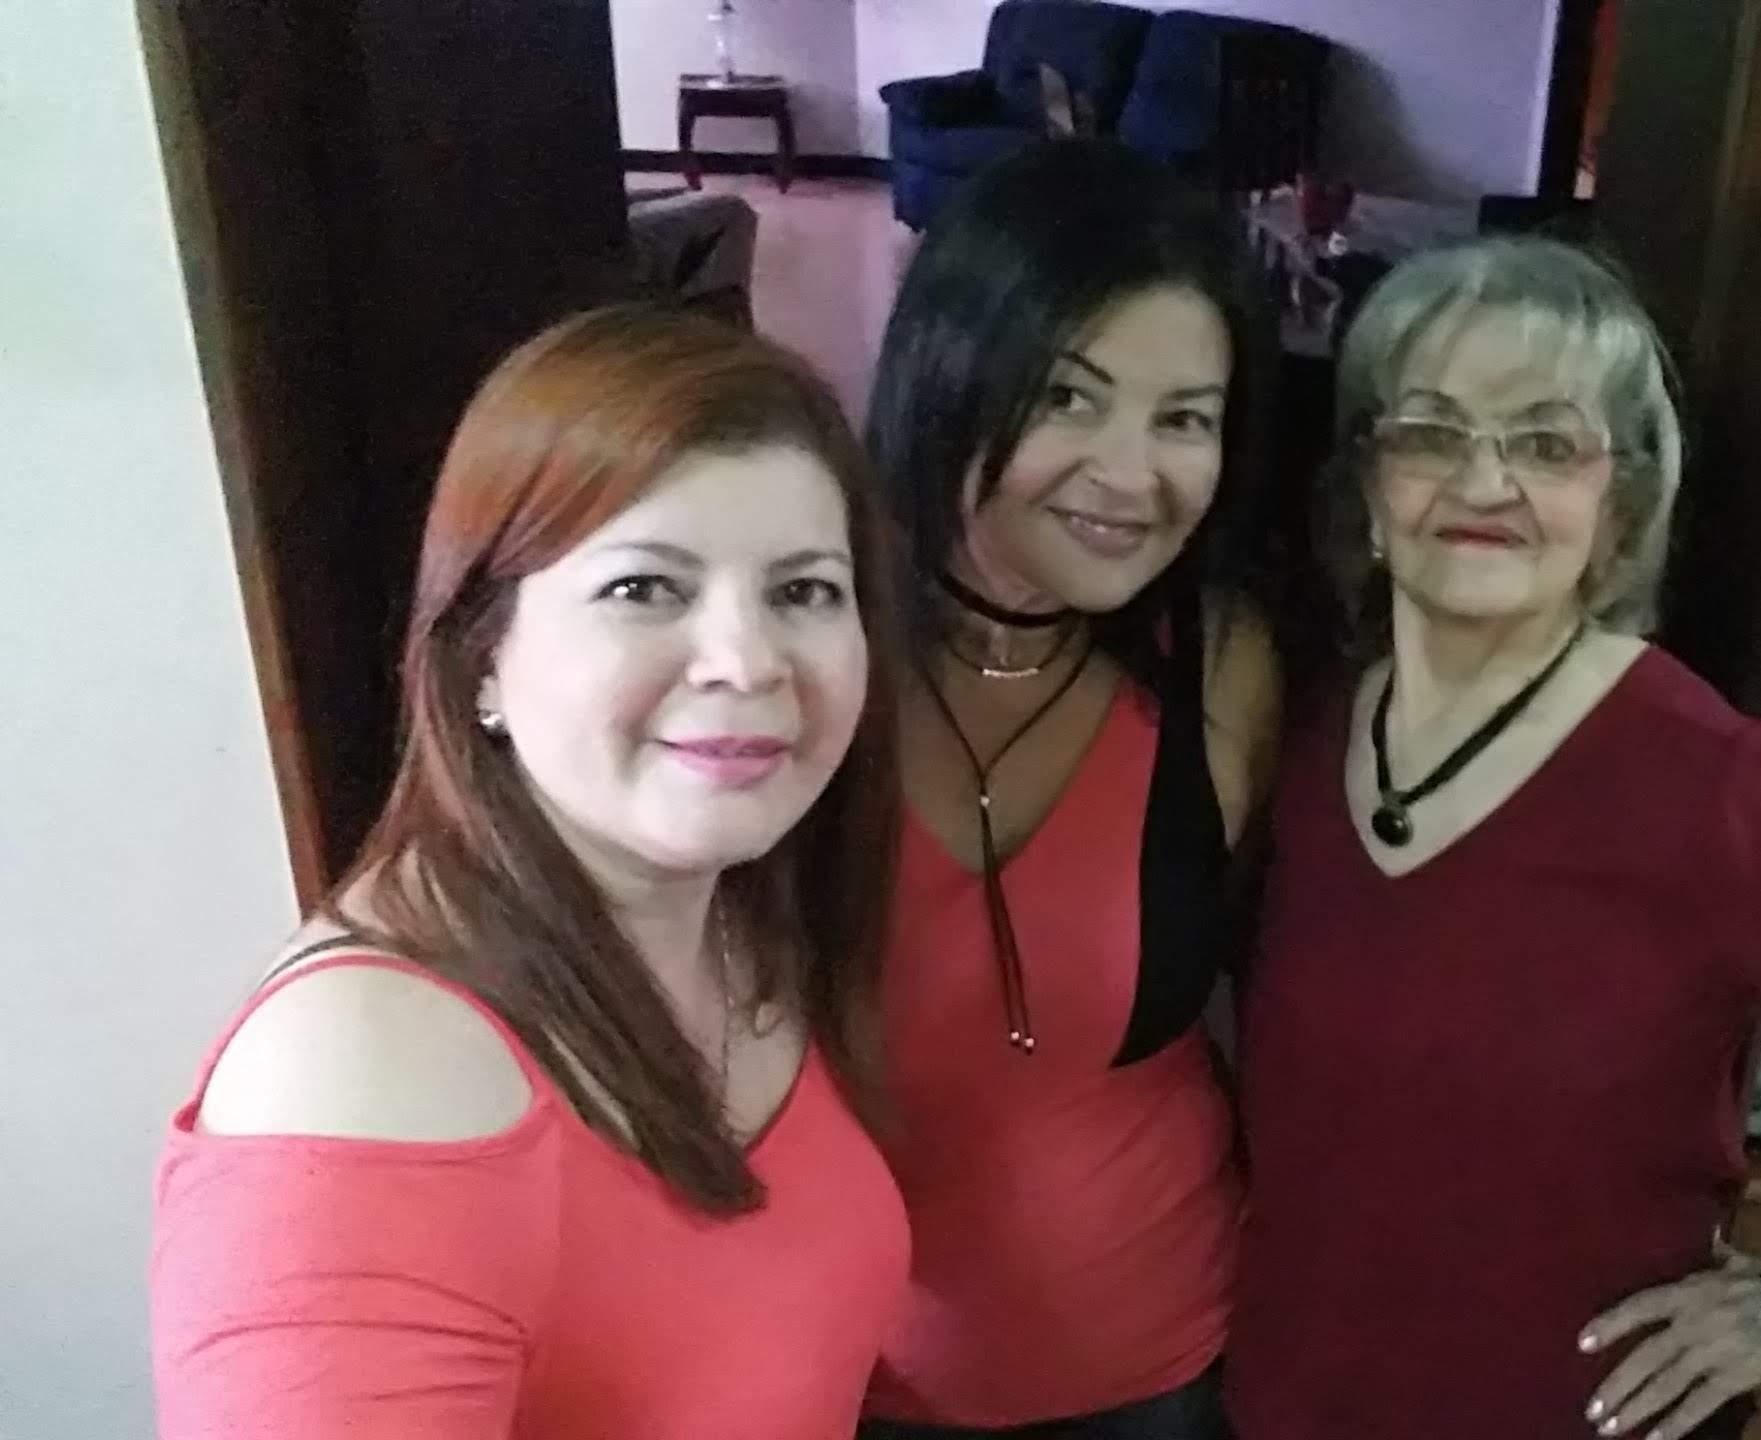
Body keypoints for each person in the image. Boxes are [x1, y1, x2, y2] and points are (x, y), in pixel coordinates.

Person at [1225, 237, 1761, 1440]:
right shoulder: (1318, 724)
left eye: (1545, 443)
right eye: (1430, 431)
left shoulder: (1705, 785)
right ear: (1368, 487)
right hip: (1297, 1397)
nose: (1483, 483)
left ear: (1618, 504)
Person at [150, 307, 911, 1438]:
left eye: (802, 591)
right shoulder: (362, 1074)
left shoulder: (740, 916)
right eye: (644, 587)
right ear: (482, 659)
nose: (749, 661)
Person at [855, 139, 1281, 1440]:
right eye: (1069, 397)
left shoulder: (1222, 661)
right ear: (952, 374)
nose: (1130, 473)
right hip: (848, 1371)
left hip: (1161, 1366)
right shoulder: (808, 648)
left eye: (1184, 419)